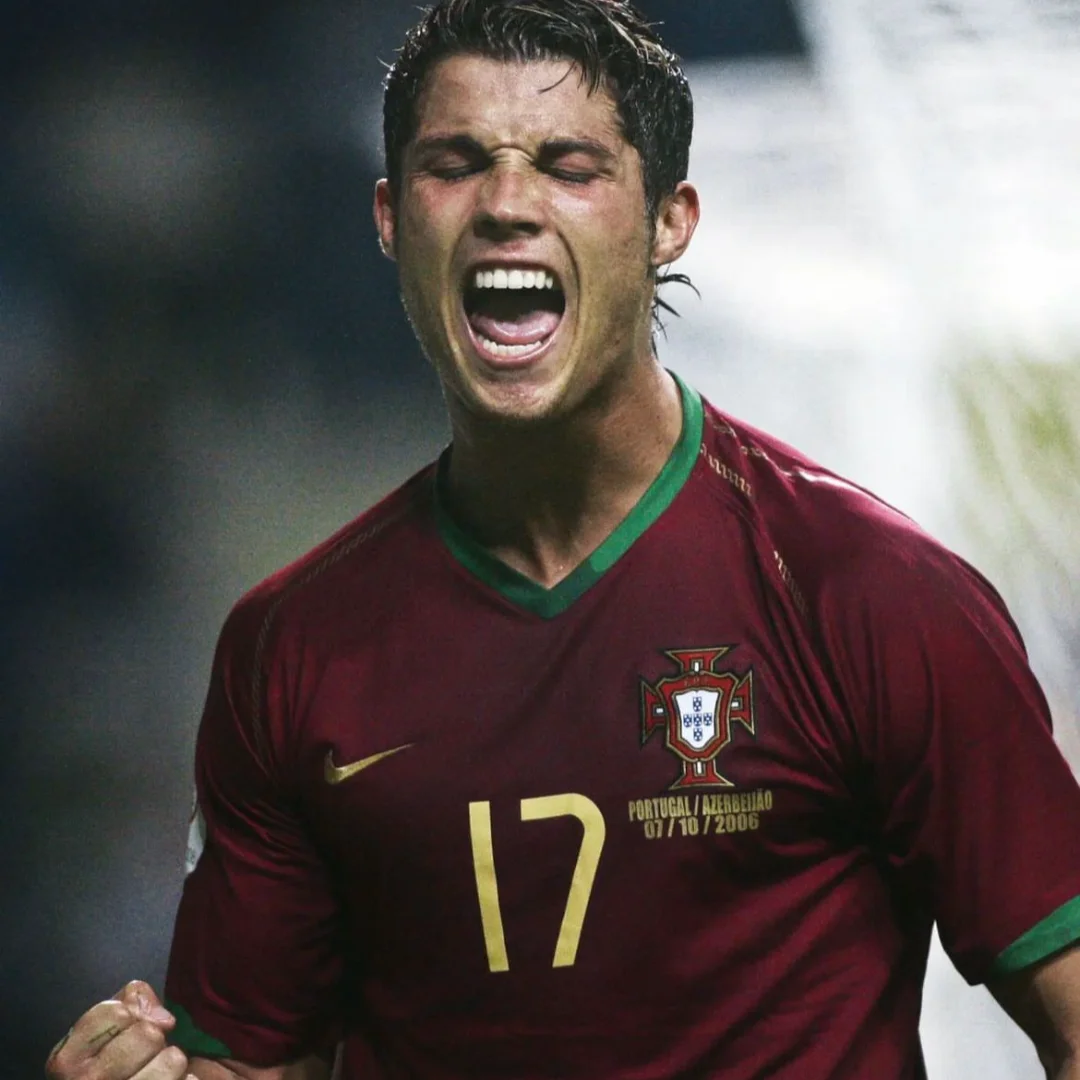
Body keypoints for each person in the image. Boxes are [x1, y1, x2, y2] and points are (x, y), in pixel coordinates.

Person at [45, 1, 1080, 1078]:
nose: (506, 204)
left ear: (670, 220)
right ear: (391, 218)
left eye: (568, 165)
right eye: (456, 164)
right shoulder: (290, 650)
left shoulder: (871, 594)